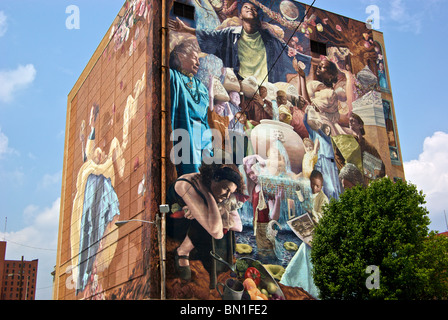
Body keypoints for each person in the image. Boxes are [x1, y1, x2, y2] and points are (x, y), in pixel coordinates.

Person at [169, 1, 314, 84]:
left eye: (253, 8)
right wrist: (185, 29)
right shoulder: (231, 33)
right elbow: (210, 35)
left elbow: (288, 51)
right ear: (240, 15)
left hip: (263, 87)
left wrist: (308, 62)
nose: (250, 9)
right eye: (246, 7)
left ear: (258, 15)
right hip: (240, 85)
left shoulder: (268, 37)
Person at [166, 160, 245, 287]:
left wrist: (210, 202)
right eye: (226, 189)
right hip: (174, 223)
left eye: (231, 192)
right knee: (211, 221)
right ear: (215, 178)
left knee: (214, 217)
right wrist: (208, 195)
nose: (227, 195)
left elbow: (238, 225)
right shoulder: (188, 185)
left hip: (190, 223)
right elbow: (217, 232)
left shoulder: (214, 187)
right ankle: (182, 252)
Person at [169, 40, 214, 176]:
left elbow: (205, 114)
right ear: (181, 56)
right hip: (186, 131)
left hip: (204, 134)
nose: (198, 63)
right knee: (192, 175)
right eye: (195, 58)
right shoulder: (172, 76)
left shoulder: (200, 86)